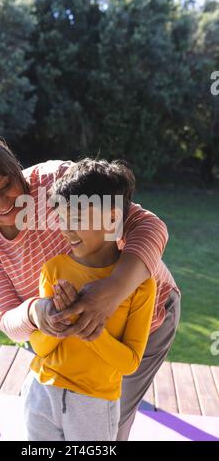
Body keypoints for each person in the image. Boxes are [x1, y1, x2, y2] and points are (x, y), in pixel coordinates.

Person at [0, 130, 180, 440]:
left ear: (14, 166)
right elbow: (9, 319)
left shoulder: (58, 181)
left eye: (7, 184)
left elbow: (148, 225)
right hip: (73, 345)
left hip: (149, 315)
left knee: (110, 428)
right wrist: (37, 312)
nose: (4, 203)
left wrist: (115, 288)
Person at [21, 158, 157, 441]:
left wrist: (90, 329)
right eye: (62, 218)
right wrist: (59, 317)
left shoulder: (140, 286)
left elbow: (129, 362)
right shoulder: (54, 270)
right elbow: (40, 347)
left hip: (94, 403)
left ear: (112, 218)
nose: (66, 229)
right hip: (41, 391)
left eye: (77, 219)